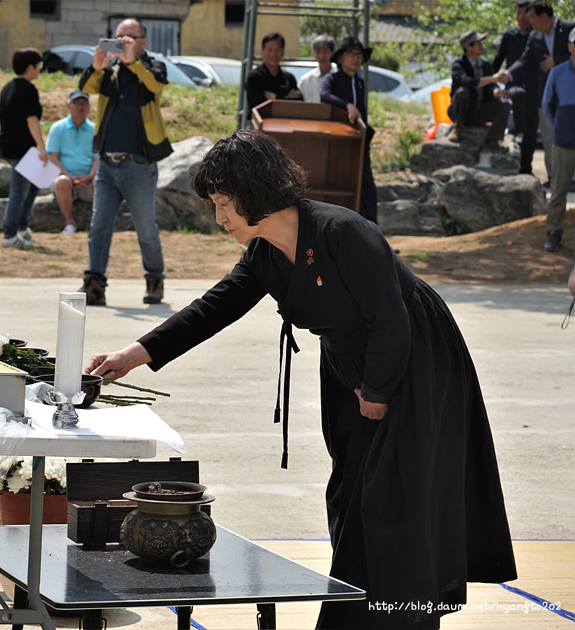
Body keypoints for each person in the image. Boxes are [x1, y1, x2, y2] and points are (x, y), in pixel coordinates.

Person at [86, 129, 517, 630]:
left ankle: (406, 620)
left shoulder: (342, 232)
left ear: (252, 193)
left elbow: (391, 321)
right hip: (352, 373)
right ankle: (355, 619)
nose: (219, 218)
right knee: (351, 500)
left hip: (415, 365)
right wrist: (133, 355)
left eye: (224, 204)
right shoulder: (265, 253)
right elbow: (215, 307)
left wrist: (377, 393)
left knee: (396, 505)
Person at [77, 18, 173, 306]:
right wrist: (96, 66)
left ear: (143, 41)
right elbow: (87, 87)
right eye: (119, 37)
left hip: (139, 165)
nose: (123, 42)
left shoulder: (153, 66)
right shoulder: (109, 70)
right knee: (99, 226)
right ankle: (94, 284)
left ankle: (155, 279)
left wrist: (133, 62)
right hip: (107, 164)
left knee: (145, 227)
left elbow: (157, 85)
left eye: (130, 37)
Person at [506, 0, 575, 183]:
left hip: (571, 93)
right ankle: (554, 177)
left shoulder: (570, 29)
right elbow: (524, 60)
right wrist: (508, 74)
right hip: (547, 94)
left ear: (544, 16)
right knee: (548, 135)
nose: (529, 21)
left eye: (532, 17)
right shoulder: (534, 36)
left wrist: (557, 61)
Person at [320, 36, 378, 223]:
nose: (356, 58)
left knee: (367, 186)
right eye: (351, 54)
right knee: (341, 184)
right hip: (339, 141)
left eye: (359, 54)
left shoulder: (359, 82)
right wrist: (347, 105)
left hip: (360, 141)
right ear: (341, 58)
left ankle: (372, 232)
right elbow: (324, 95)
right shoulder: (333, 78)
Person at [0, 47, 48, 250]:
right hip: (22, 149)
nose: (39, 70)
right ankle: (10, 235)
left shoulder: (7, 88)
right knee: (18, 191)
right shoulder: (28, 89)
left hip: (9, 145)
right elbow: (32, 120)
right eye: (38, 66)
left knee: (35, 185)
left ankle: (22, 227)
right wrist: (42, 149)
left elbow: (3, 121)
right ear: (30, 67)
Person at [446, 30, 512, 150]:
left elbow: (491, 86)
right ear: (468, 47)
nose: (481, 46)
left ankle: (493, 140)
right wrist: (491, 79)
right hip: (461, 112)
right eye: (478, 43)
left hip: (480, 111)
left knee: (506, 103)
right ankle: (458, 128)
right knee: (462, 92)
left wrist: (496, 92)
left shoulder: (486, 65)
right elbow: (467, 82)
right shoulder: (459, 64)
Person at [540, 28, 575, 252]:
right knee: (559, 189)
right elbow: (547, 104)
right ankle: (554, 232)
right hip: (564, 140)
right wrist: (558, 127)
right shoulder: (558, 72)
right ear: (570, 46)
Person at [46, 90, 99, 235]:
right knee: (62, 182)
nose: (80, 107)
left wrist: (89, 176)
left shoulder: (95, 130)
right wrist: (69, 176)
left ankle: (98, 224)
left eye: (84, 103)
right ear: (68, 105)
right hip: (66, 181)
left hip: (87, 181)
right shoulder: (57, 128)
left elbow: (98, 158)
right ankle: (69, 223)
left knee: (101, 181)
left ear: (89, 107)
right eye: (76, 103)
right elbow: (53, 157)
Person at [493, 0, 534, 145]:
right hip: (514, 82)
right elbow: (498, 60)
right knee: (517, 94)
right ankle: (518, 129)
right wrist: (490, 79)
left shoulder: (537, 34)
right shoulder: (509, 36)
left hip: (534, 82)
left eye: (525, 13)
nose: (522, 17)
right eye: (519, 13)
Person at [245, 32, 303, 112]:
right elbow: (258, 105)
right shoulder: (254, 77)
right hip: (260, 122)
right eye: (270, 50)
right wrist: (286, 98)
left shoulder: (289, 78)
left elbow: (298, 102)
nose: (274, 54)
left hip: (284, 121)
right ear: (262, 52)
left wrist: (275, 97)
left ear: (283, 52)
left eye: (277, 50)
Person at [297, 35, 335, 103]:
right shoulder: (305, 80)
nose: (322, 56)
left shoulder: (339, 75)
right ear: (313, 54)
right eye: (318, 52)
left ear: (332, 53)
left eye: (325, 52)